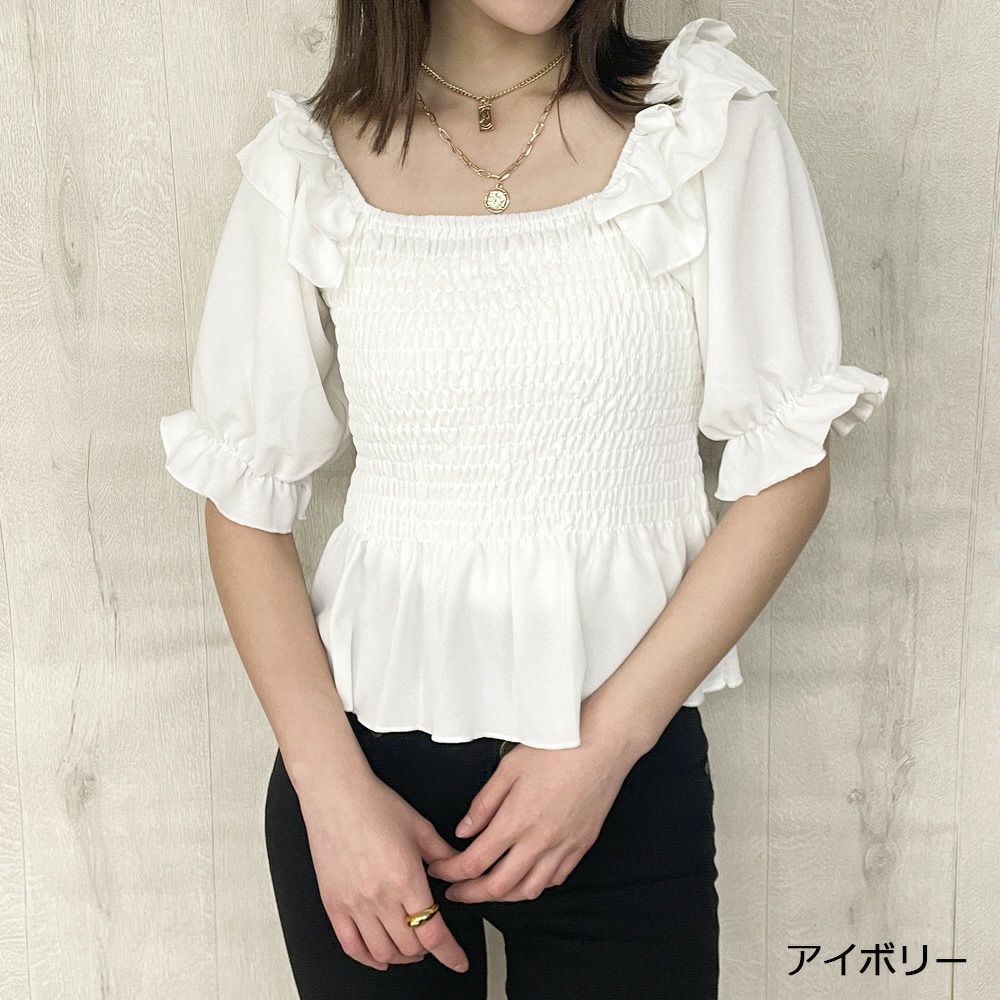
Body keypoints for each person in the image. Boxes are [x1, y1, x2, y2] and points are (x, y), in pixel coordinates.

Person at [159, 3, 890, 998]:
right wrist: (332, 800)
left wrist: (605, 749)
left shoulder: (704, 122)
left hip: (624, 774)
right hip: (362, 786)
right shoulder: (309, 165)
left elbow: (786, 467)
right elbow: (244, 499)